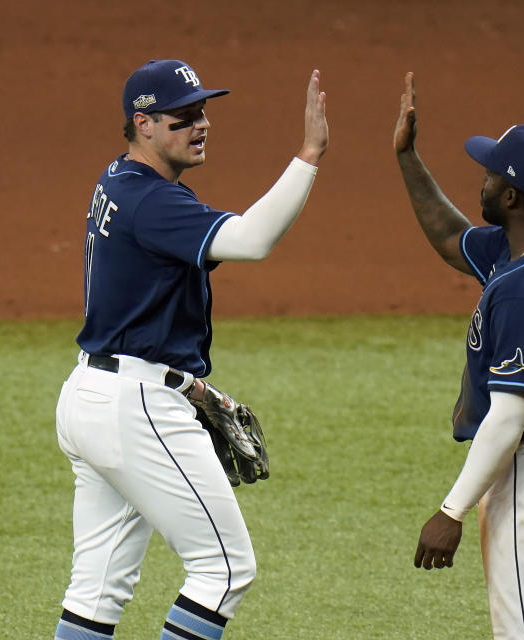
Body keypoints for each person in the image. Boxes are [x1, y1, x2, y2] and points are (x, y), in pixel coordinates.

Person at [53, 59, 328, 640]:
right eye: (184, 117)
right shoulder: (154, 203)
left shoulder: (118, 180)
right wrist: (308, 156)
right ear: (143, 124)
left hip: (92, 394)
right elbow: (252, 240)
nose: (200, 124)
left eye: (203, 112)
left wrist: (191, 385)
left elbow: (141, 304)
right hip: (135, 407)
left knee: (96, 592)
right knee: (224, 570)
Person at [393, 72, 524, 639]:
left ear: (510, 197)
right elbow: (448, 236)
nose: (479, 183)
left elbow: (508, 415)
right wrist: (407, 157)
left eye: (488, 176)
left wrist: (451, 511)